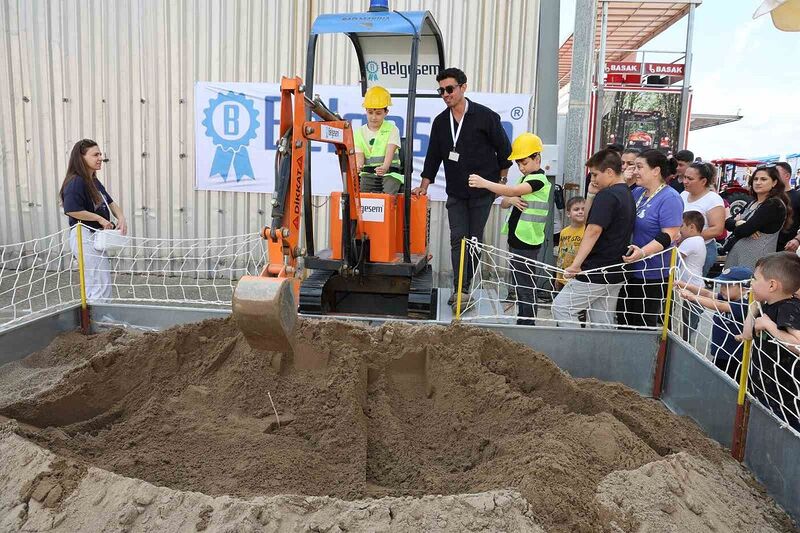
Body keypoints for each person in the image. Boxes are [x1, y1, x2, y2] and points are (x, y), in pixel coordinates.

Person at [413, 67, 512, 306]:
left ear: (463, 87)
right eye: (441, 90)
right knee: (458, 238)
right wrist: (424, 184)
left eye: (450, 89)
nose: (445, 94)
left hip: (482, 192)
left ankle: (466, 286)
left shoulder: (485, 116)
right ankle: (459, 289)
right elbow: (433, 156)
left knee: (474, 240)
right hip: (456, 192)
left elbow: (505, 150)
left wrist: (500, 183)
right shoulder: (440, 122)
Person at [468, 133, 550, 325]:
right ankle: (524, 319)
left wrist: (485, 183)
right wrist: (510, 199)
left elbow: (512, 192)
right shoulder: (525, 179)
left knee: (525, 284)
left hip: (527, 241)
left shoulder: (538, 180)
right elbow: (506, 202)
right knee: (520, 283)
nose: (521, 167)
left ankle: (527, 322)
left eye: (524, 162)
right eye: (518, 164)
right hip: (518, 239)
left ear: (537, 158)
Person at [552, 149, 635, 328]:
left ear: (610, 172)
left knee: (562, 307)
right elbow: (591, 220)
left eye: (595, 174)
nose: (593, 179)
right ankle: (601, 355)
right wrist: (590, 194)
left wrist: (576, 265)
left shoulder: (608, 195)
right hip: (615, 269)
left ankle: (577, 351)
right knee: (602, 320)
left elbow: (592, 230)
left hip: (597, 269)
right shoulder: (626, 193)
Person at [618, 149, 684, 328]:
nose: (635, 171)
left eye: (639, 166)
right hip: (630, 268)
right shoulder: (638, 192)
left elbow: (669, 234)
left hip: (653, 273)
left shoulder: (670, 197)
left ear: (656, 171)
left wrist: (643, 252)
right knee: (624, 321)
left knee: (643, 324)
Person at [60, 139, 127, 302]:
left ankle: (102, 318)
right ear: (81, 158)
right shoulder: (76, 182)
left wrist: (121, 218)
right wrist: (99, 219)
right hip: (85, 235)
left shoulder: (93, 181)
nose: (100, 158)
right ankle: (99, 320)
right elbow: (72, 209)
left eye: (100, 154)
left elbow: (109, 202)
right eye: (95, 155)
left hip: (96, 236)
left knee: (101, 279)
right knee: (97, 281)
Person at [740, 252, 800, 430]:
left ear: (772, 285)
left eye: (755, 279)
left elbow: (798, 344)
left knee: (787, 431)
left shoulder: (789, 307)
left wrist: (769, 326)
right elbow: (747, 335)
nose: (751, 283)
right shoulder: (766, 306)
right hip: (765, 386)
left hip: (786, 394)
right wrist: (752, 309)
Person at [677, 266, 752, 381]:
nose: (722, 289)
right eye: (722, 285)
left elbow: (719, 306)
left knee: (730, 384)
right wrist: (685, 285)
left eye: (728, 286)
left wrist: (692, 297)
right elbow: (707, 293)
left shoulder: (745, 305)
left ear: (744, 288)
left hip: (735, 357)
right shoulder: (727, 297)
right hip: (720, 352)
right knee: (717, 380)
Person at [723, 165, 792, 270]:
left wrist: (742, 225)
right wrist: (738, 223)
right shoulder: (752, 202)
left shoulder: (773, 205)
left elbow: (743, 231)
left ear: (774, 182)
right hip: (736, 256)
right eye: (755, 179)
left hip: (754, 260)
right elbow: (727, 223)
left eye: (763, 179)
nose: (758, 182)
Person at [354, 86, 403, 194]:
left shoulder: (392, 129)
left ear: (386, 112)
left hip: (390, 173)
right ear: (366, 111)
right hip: (369, 174)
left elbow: (390, 151)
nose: (374, 117)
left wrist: (385, 167)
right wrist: (358, 166)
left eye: (378, 113)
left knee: (388, 194)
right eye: (370, 113)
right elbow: (359, 157)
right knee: (362, 195)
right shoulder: (359, 132)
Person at [681, 162, 726, 276]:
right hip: (682, 247)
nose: (685, 181)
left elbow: (717, 229)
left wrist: (687, 237)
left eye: (690, 179)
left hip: (702, 250)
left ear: (703, 181)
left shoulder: (713, 200)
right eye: (684, 177)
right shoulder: (684, 195)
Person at [677, 211, 707, 342]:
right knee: (688, 327)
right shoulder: (699, 240)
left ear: (692, 227)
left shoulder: (690, 241)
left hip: (691, 290)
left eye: (681, 226)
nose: (679, 229)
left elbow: (674, 260)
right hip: (696, 288)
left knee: (684, 328)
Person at [555, 196, 586, 290]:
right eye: (576, 209)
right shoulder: (564, 232)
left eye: (583, 209)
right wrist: (557, 277)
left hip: (578, 277)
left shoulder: (588, 231)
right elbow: (560, 255)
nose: (580, 212)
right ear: (568, 213)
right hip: (563, 276)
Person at [776, 162, 800, 252]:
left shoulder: (797, 196)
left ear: (787, 176)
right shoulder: (769, 196)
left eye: (776, 173)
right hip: (765, 245)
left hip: (786, 248)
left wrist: (797, 240)